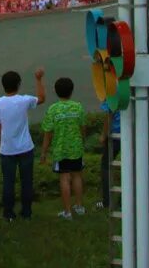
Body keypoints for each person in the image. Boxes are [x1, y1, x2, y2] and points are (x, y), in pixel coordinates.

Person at [0, 68, 46, 221]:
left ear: (3, 85)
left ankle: (8, 214)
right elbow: (41, 98)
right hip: (25, 148)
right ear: (19, 84)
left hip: (7, 150)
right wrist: (39, 79)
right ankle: (27, 212)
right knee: (26, 182)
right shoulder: (24, 100)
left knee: (8, 183)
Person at [40, 77, 86, 220]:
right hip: (76, 149)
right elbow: (83, 128)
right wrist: (81, 141)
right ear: (72, 91)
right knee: (77, 176)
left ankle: (67, 212)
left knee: (64, 178)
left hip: (60, 151)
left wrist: (43, 153)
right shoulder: (78, 107)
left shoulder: (53, 109)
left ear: (55, 91)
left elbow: (48, 134)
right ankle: (79, 206)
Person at [97, 100, 121, 209]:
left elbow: (109, 115)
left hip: (115, 134)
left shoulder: (113, 89)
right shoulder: (133, 88)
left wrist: (103, 135)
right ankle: (124, 201)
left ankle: (107, 201)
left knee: (106, 166)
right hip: (131, 132)